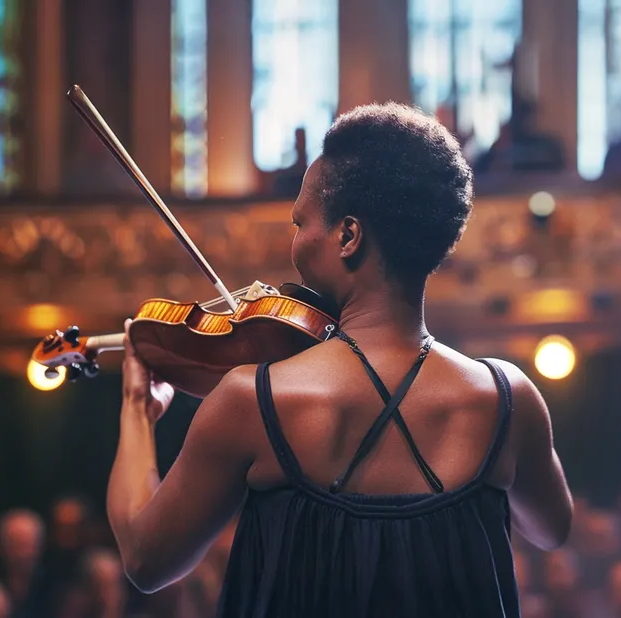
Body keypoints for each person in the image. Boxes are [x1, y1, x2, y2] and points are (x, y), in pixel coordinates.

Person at [105, 102, 574, 617]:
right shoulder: (508, 399)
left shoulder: (252, 400)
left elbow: (147, 560)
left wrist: (136, 407)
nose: (295, 242)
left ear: (348, 235)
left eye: (299, 222)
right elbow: (551, 529)